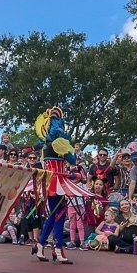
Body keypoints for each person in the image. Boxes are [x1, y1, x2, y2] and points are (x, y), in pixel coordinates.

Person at [32, 107, 93, 264]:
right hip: (56, 182)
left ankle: (42, 245)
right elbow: (72, 160)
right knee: (58, 216)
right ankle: (57, 248)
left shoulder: (45, 144)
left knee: (55, 215)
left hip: (53, 181)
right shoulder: (59, 142)